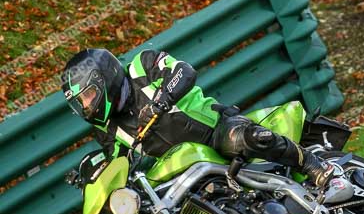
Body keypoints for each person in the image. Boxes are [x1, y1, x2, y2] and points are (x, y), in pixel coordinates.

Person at [61, 48, 335, 187]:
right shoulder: (107, 129)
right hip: (183, 167)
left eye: (87, 96)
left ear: (104, 79)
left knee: (245, 139)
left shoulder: (141, 67)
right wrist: (92, 178)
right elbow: (118, 164)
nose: (86, 107)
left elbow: (183, 70)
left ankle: (313, 165)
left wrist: (163, 99)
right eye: (80, 103)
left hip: (215, 131)